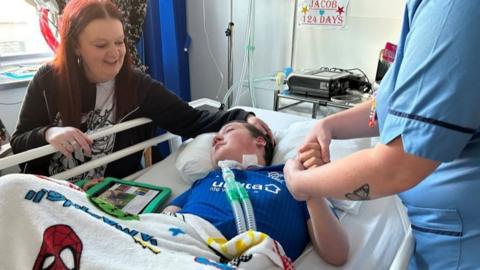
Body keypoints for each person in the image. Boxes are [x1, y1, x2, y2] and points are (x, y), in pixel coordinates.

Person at [284, 1, 480, 269]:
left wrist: (302, 184)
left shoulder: (453, 9)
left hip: (461, 246)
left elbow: (397, 167)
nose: (219, 138)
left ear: (262, 139)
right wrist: (328, 125)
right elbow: (402, 107)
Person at [10, 0, 272, 182]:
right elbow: (19, 143)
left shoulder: (138, 87)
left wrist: (243, 117)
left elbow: (191, 120)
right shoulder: (48, 80)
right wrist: (49, 133)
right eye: (101, 45)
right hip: (51, 188)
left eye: (119, 41)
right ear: (75, 46)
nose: (114, 53)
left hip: (106, 193)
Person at [163, 121, 349, 265]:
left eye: (228, 131)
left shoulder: (291, 177)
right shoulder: (206, 179)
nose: (215, 139)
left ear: (260, 141)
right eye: (215, 138)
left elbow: (337, 253)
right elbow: (164, 220)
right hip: (177, 248)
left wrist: (309, 182)